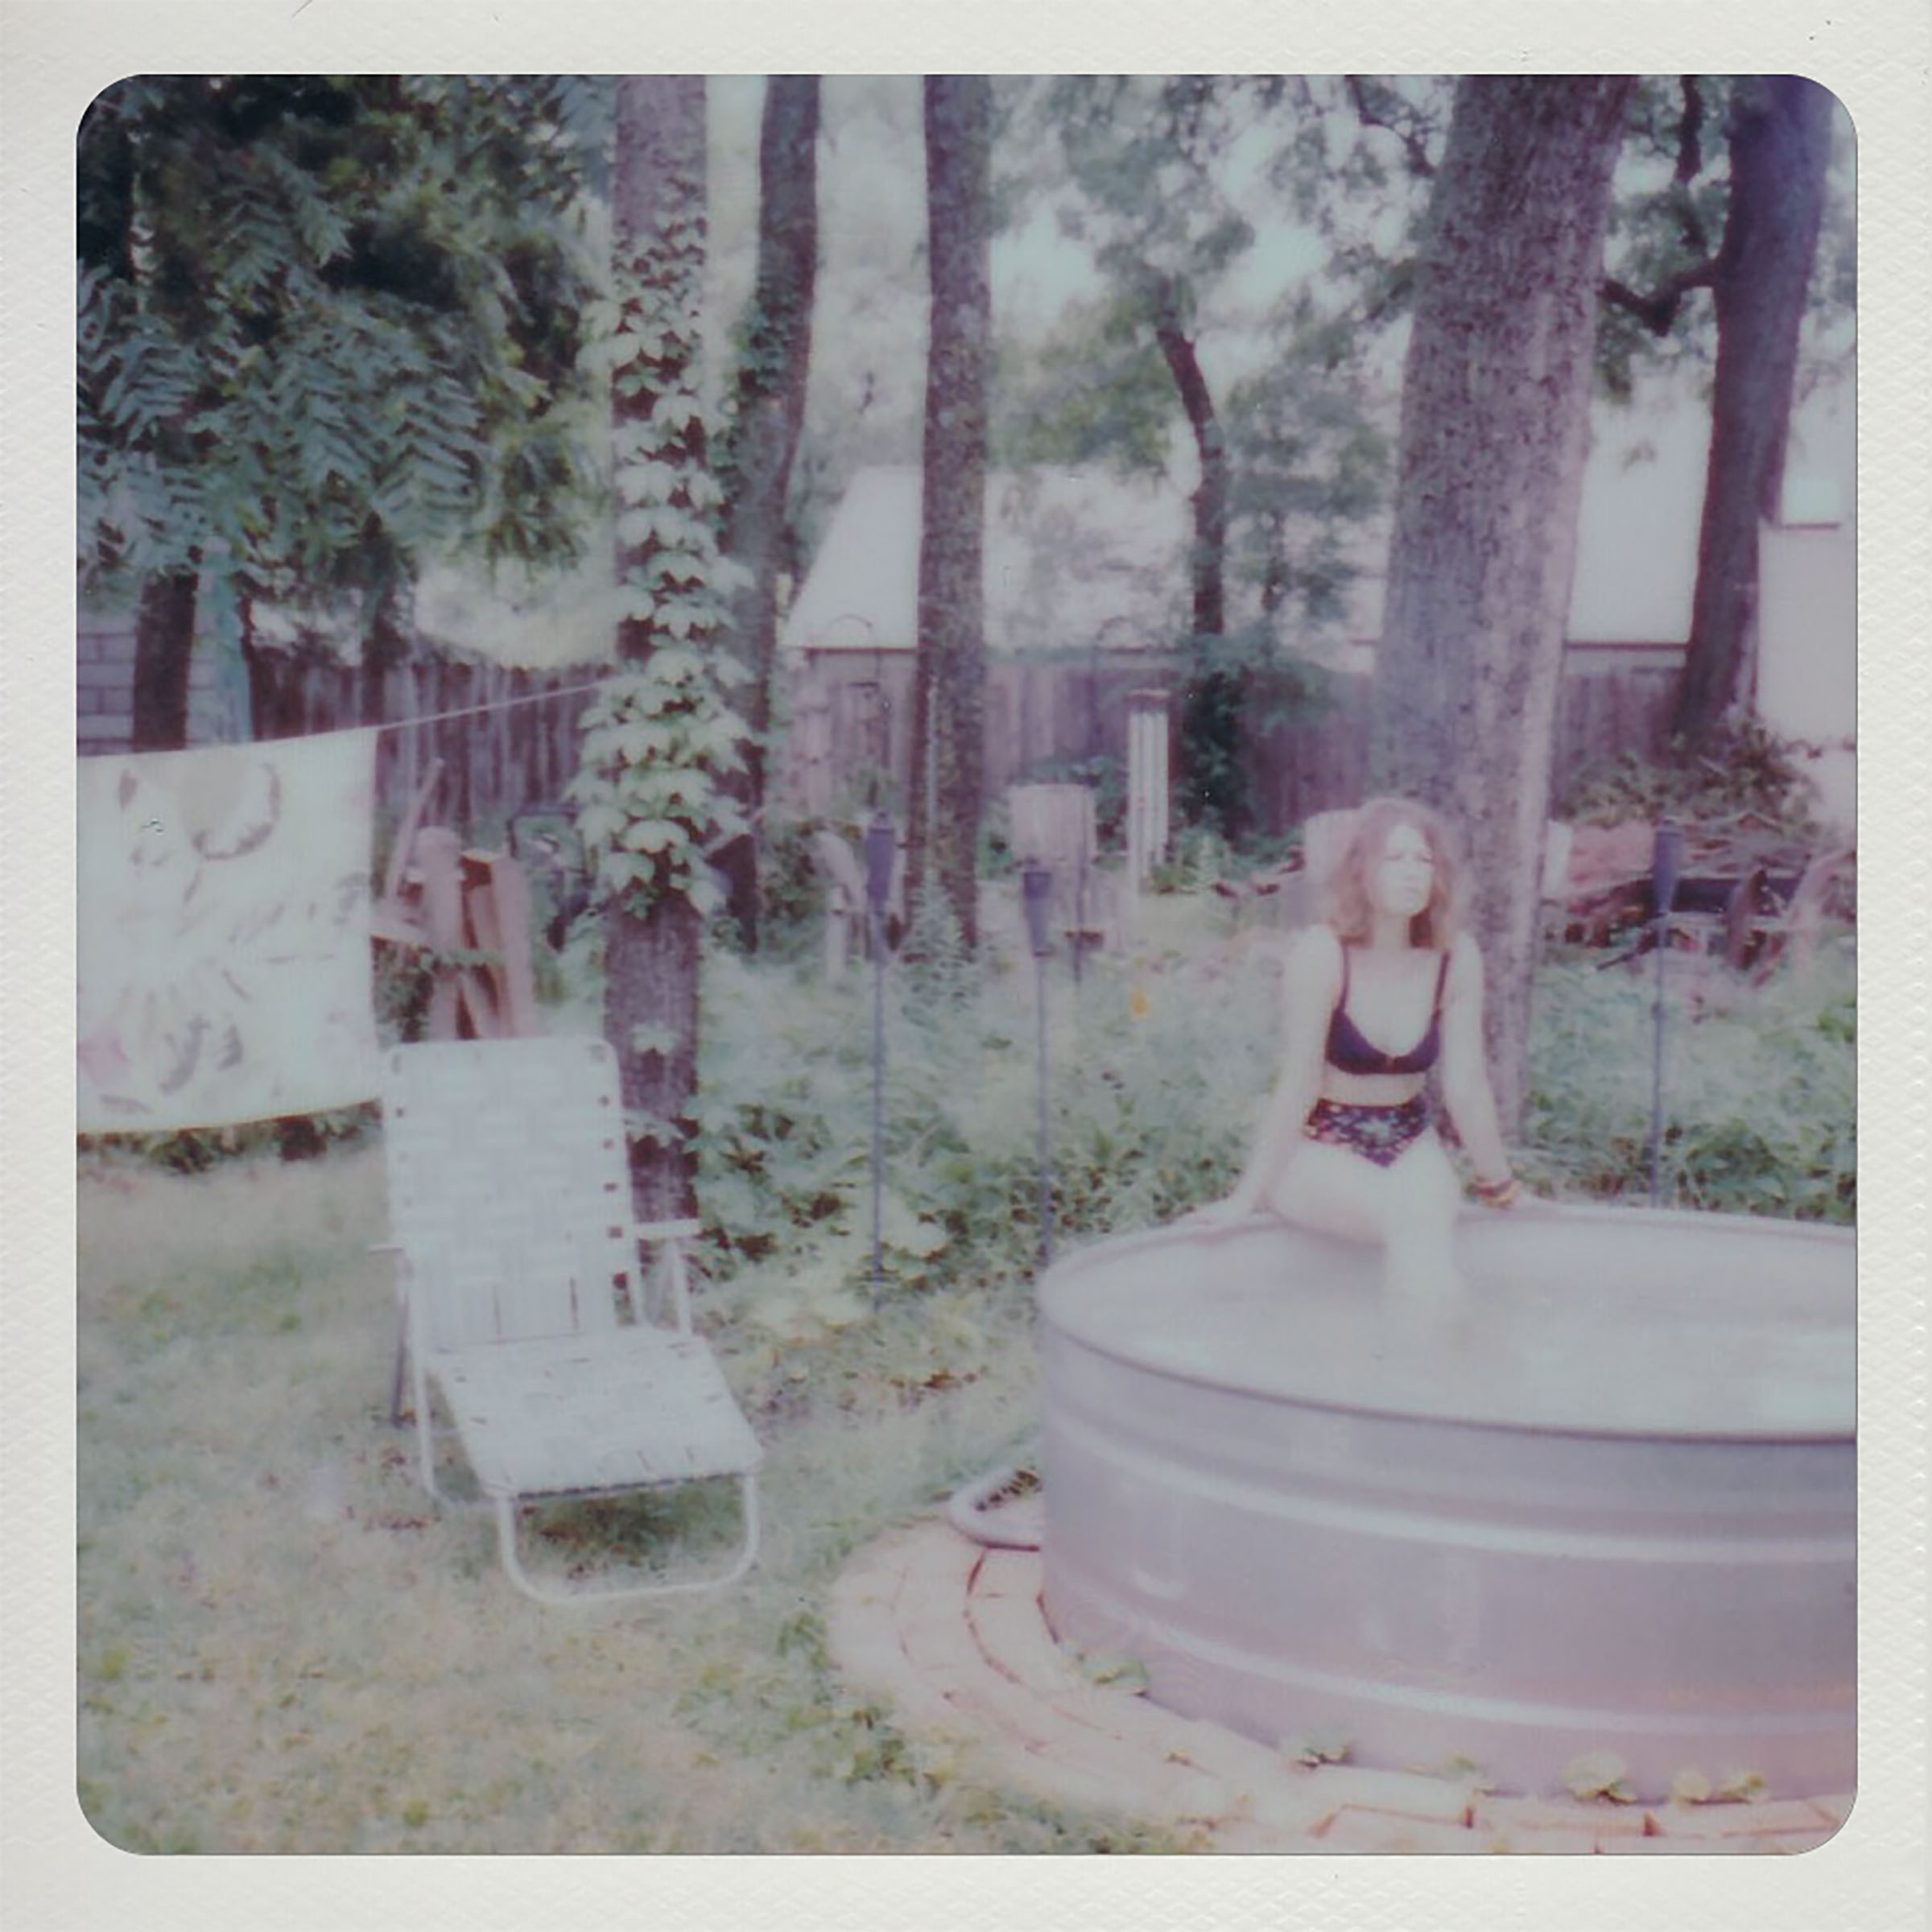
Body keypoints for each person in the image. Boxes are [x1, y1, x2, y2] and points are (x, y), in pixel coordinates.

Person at [1190, 797, 1521, 1300]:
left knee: (1430, 1247)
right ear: (1360, 870)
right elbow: (1298, 1083)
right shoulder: (1322, 954)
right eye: (1395, 858)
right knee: (1411, 1226)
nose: (1412, 872)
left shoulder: (1456, 958)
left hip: (1411, 1143)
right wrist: (1245, 1197)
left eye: (1424, 860)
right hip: (1320, 1148)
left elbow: (1467, 1088)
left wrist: (1502, 1186)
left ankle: (1430, 1347)